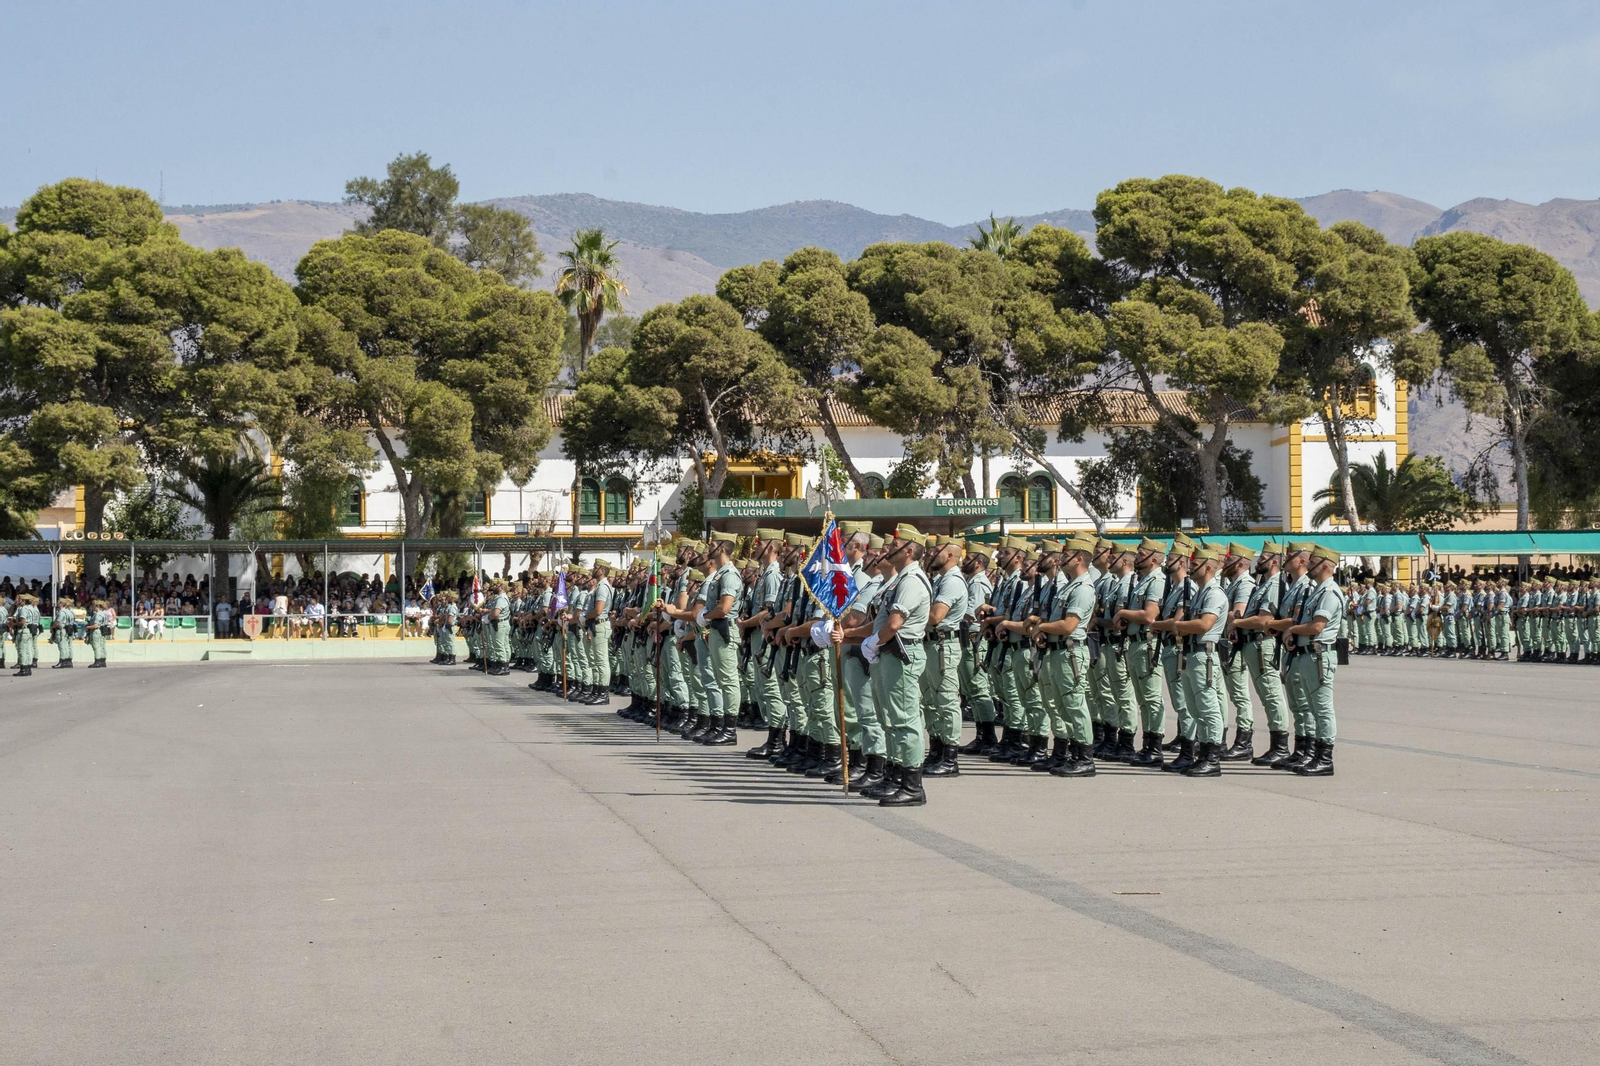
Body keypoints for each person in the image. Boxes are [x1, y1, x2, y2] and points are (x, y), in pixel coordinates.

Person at [52, 597, 77, 669]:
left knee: (62, 646)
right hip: (69, 629)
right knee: (68, 646)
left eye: (59, 603)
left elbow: (57, 623)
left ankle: (62, 661)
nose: (58, 604)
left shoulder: (62, 612)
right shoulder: (71, 612)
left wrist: (52, 627)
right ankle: (68, 661)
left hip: (62, 629)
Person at [87, 599, 112, 668]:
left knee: (96, 646)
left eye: (94, 605)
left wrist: (88, 627)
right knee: (102, 646)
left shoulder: (98, 615)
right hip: (103, 631)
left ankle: (97, 661)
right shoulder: (104, 613)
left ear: (97, 606)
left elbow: (96, 625)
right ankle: (102, 661)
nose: (93, 607)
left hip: (97, 631)